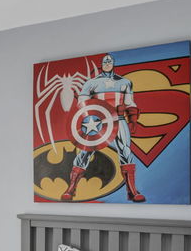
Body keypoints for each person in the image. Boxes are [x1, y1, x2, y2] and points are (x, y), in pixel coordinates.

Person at [61, 53, 147, 202]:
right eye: (105, 61)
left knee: (126, 152)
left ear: (113, 63)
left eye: (109, 61)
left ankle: (132, 190)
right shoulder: (91, 83)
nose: (107, 63)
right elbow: (82, 103)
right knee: (85, 152)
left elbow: (129, 102)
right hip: (97, 121)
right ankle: (71, 188)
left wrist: (133, 119)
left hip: (119, 119)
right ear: (101, 64)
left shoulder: (125, 82)